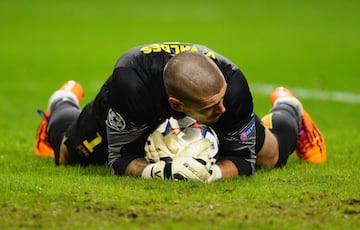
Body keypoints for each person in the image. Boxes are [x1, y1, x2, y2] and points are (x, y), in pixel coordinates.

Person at [35, 42, 326, 182]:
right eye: (213, 107)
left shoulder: (231, 88)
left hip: (193, 94)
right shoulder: (130, 87)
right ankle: (63, 101)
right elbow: (119, 159)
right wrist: (156, 172)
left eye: (221, 100)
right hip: (137, 107)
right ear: (176, 105)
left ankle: (289, 108)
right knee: (68, 155)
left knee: (270, 156)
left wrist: (211, 174)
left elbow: (244, 160)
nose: (222, 110)